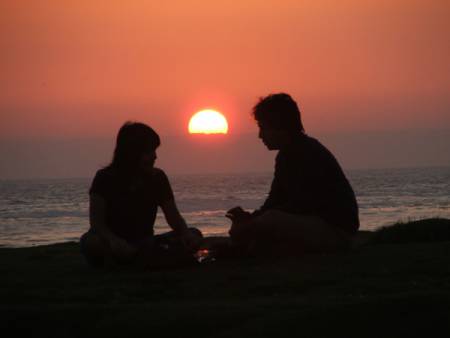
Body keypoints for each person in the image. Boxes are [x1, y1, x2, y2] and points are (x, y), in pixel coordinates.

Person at [226, 93, 359, 257]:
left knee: (268, 222)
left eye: (263, 127)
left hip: (336, 231)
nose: (260, 135)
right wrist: (250, 217)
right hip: (321, 227)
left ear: (279, 126)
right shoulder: (288, 154)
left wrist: (254, 222)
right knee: (260, 231)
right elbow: (275, 200)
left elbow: (301, 205)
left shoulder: (305, 152)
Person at [80, 122, 202, 268]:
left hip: (145, 242)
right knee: (92, 243)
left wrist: (185, 233)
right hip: (112, 242)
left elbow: (174, 218)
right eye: (149, 152)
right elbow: (97, 224)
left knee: (194, 234)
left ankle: (138, 259)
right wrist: (114, 241)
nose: (155, 157)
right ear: (132, 152)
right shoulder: (104, 178)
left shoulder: (158, 178)